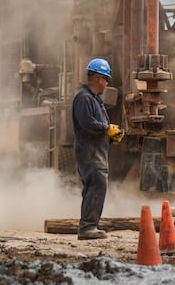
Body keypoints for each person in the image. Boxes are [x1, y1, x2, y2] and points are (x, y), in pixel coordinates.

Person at [72, 58, 124, 240]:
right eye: (105, 78)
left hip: (95, 150)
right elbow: (87, 124)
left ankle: (89, 226)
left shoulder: (93, 99)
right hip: (90, 152)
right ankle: (87, 228)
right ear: (98, 78)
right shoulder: (84, 98)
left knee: (95, 186)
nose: (107, 83)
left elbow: (96, 124)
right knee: (96, 186)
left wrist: (110, 137)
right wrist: (106, 129)